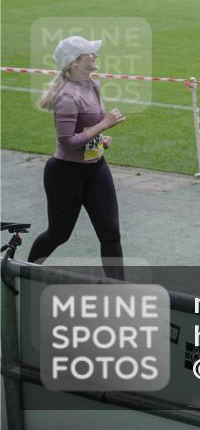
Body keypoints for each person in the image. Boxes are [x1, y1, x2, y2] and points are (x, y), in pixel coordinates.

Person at [28, 36, 127, 280]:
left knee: (111, 233)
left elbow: (85, 129)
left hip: (96, 169)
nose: (95, 55)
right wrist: (104, 124)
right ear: (74, 62)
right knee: (59, 234)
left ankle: (119, 289)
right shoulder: (67, 97)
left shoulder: (92, 85)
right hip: (65, 174)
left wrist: (99, 140)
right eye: (89, 53)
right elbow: (67, 142)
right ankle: (23, 271)